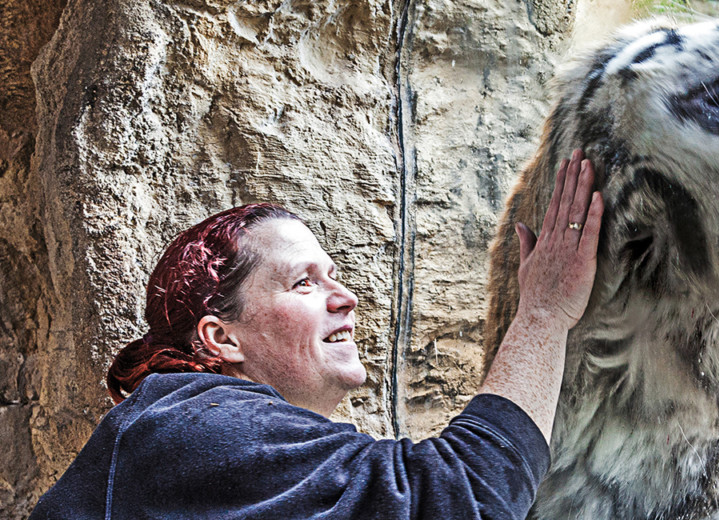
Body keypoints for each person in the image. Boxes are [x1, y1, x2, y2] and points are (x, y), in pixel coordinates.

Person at [30, 150, 602, 519]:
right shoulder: (192, 422)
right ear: (221, 337)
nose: (345, 296)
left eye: (334, 275)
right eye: (303, 282)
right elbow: (459, 498)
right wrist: (544, 313)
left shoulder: (197, 431)